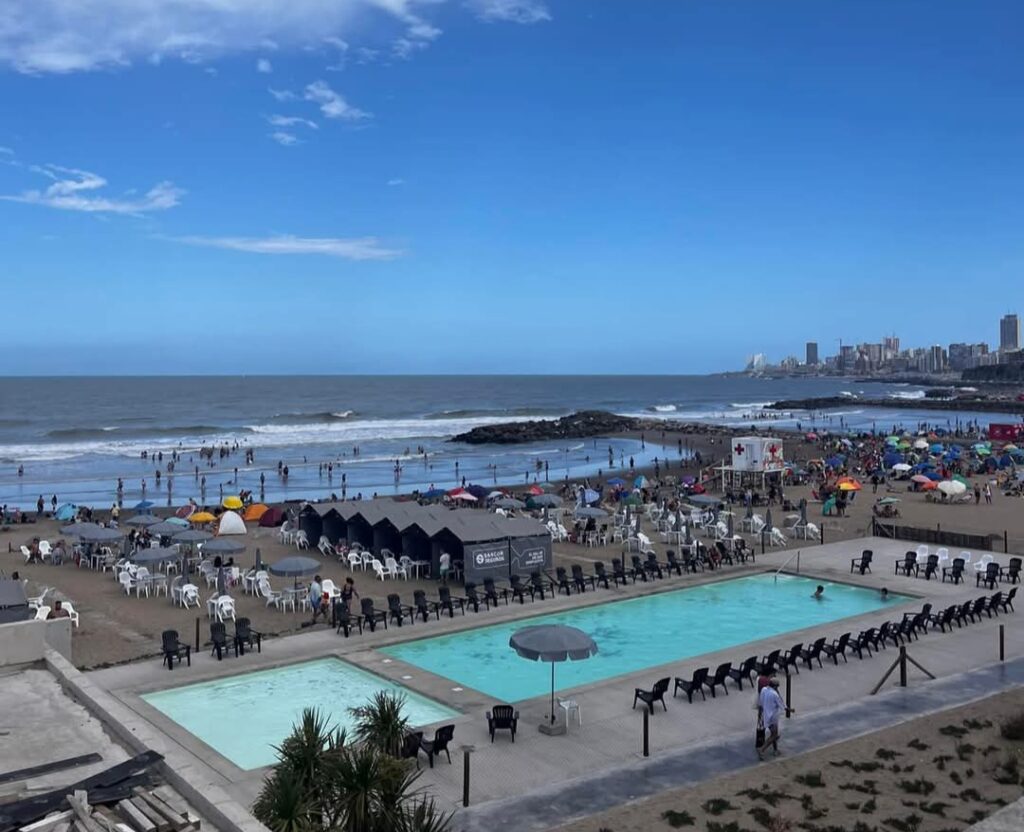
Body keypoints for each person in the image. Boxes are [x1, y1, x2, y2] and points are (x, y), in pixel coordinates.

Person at [758, 677, 786, 759]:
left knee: (774, 734)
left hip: (765, 715)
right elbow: (782, 706)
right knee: (774, 735)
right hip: (772, 717)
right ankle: (762, 749)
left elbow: (761, 702)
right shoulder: (774, 694)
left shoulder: (764, 690)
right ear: (775, 686)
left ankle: (775, 750)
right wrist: (789, 709)